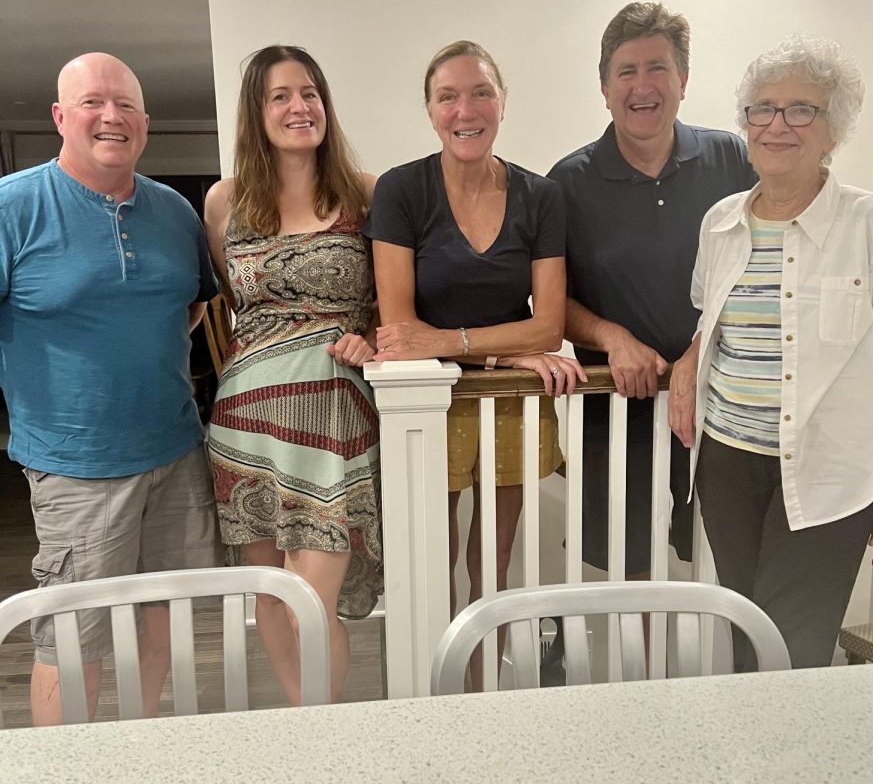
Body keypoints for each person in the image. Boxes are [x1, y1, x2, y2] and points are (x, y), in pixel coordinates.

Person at [0, 52, 220, 725]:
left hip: (176, 454)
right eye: (93, 102)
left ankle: (142, 744)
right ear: (60, 117)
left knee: (165, 616)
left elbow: (191, 304)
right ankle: (68, 782)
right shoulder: (15, 207)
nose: (111, 116)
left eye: (125, 104)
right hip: (76, 469)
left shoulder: (175, 211)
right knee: (73, 635)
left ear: (145, 124)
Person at [668, 36, 873, 670]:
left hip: (833, 471)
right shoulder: (719, 223)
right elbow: (709, 320)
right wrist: (690, 360)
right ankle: (751, 769)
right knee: (745, 632)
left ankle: (791, 765)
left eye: (802, 110)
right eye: (762, 109)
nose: (778, 125)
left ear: (834, 131)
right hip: (728, 462)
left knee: (793, 647)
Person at [365, 39, 584, 682]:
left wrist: (455, 344)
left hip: (510, 399)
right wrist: (504, 348)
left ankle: (481, 686)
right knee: (429, 557)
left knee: (491, 559)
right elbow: (400, 328)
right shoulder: (401, 191)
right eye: (448, 95)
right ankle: (431, 685)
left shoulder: (541, 197)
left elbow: (548, 322)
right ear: (430, 110)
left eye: (481, 92)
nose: (466, 108)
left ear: (503, 103)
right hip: (427, 404)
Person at [549, 2, 756, 577]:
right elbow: (548, 300)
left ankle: (733, 673)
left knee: (724, 564)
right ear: (604, 88)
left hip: (722, 408)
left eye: (658, 68)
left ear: (683, 81)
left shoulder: (733, 160)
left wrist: (695, 355)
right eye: (627, 71)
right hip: (615, 413)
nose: (643, 86)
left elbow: (767, 270)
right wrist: (612, 337)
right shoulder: (567, 182)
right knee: (627, 573)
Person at [205, 45, 382, 704]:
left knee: (312, 598)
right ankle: (302, 726)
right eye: (280, 95)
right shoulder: (224, 202)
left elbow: (393, 305)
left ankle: (325, 728)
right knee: (270, 597)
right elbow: (237, 309)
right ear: (257, 111)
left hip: (333, 416)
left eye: (309, 93)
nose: (299, 107)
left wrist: (367, 337)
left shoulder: (365, 192)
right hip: (244, 426)